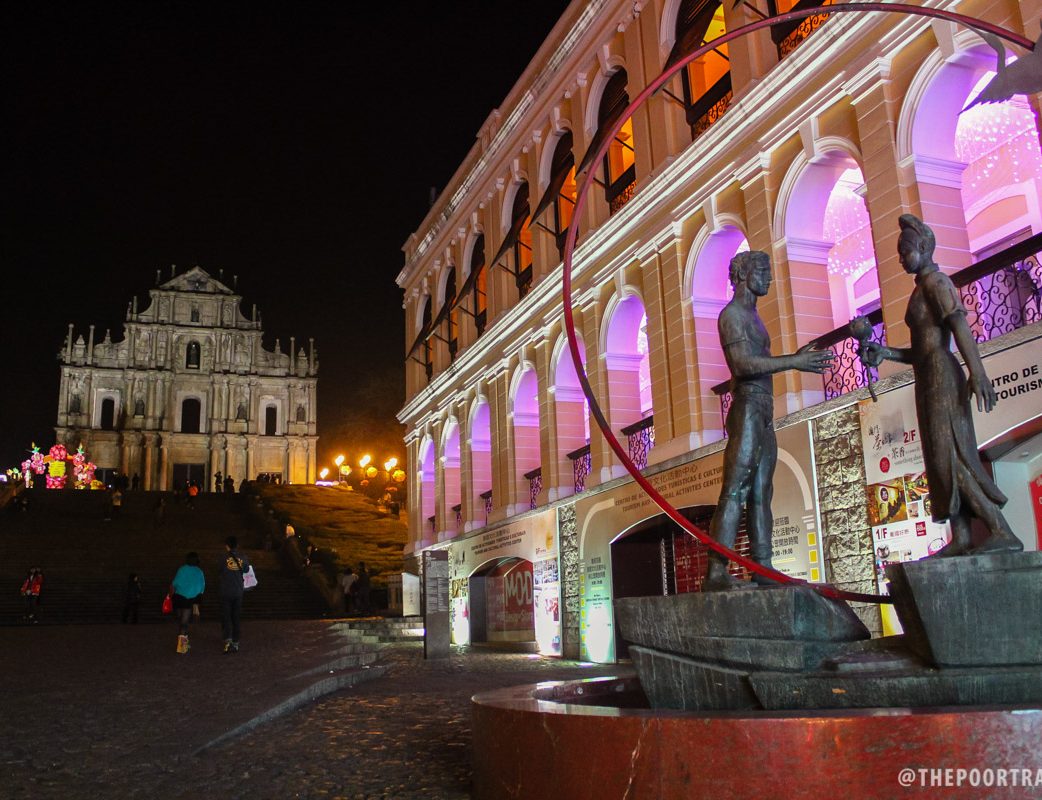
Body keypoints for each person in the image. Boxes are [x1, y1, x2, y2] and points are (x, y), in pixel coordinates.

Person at [860, 214, 1023, 557]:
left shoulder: (937, 283)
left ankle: (1000, 529)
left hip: (941, 375)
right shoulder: (920, 289)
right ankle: (961, 537)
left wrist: (978, 372)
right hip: (927, 375)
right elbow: (920, 350)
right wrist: (885, 353)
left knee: (952, 453)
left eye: (905, 251)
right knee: (938, 458)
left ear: (923, 247)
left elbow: (959, 326)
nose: (901, 258)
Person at [703, 250, 834, 591]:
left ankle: (762, 565)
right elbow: (743, 364)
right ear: (744, 274)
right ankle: (717, 570)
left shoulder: (753, 316)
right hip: (747, 407)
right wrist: (793, 362)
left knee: (762, 490)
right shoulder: (732, 315)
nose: (769, 278)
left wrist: (792, 361)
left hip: (763, 408)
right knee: (736, 488)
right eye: (762, 271)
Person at [218, 536, 251, 653]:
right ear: (237, 545)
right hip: (238, 591)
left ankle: (228, 640)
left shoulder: (223, 558)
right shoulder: (243, 557)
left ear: (227, 546)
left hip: (226, 591)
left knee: (226, 616)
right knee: (236, 617)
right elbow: (246, 570)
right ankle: (236, 642)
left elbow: (219, 570)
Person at [171, 552, 205, 654]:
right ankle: (182, 646)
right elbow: (201, 587)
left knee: (180, 620)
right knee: (184, 623)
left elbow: (175, 583)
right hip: (189, 599)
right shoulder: (199, 571)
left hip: (178, 598)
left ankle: (183, 642)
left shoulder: (182, 569)